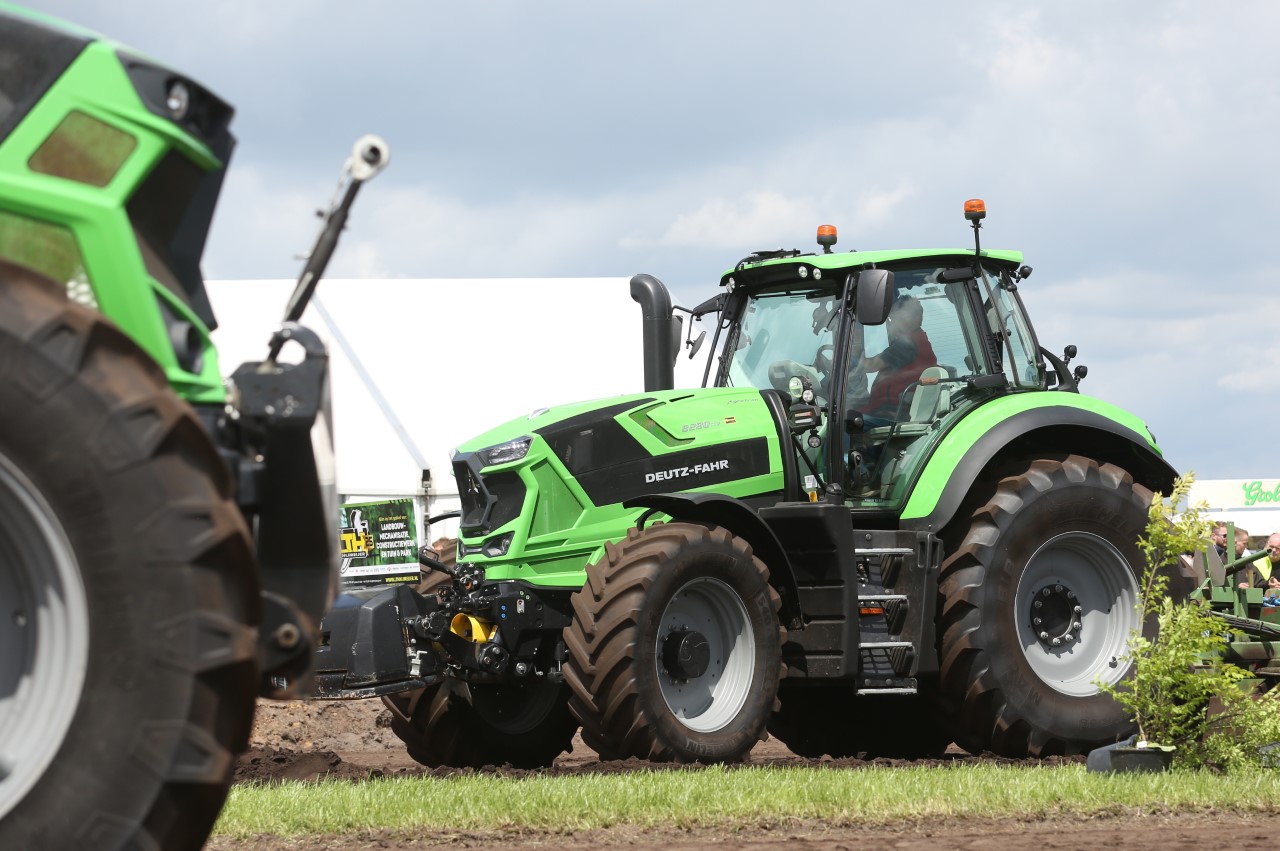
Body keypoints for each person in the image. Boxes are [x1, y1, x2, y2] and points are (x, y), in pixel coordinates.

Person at [861, 294, 937, 419]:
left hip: (894, 412)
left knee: (847, 423)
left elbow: (871, 366)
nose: (892, 321)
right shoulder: (917, 340)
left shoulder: (908, 344)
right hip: (892, 408)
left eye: (894, 316)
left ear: (913, 318)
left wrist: (850, 357)